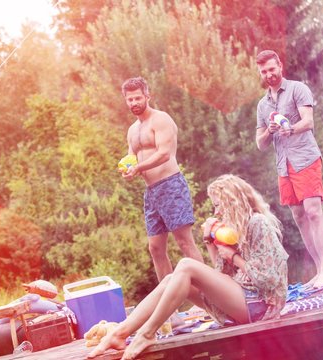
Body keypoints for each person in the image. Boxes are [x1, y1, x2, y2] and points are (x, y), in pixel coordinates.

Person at [88, 174, 289, 360]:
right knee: (170, 280)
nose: (217, 212)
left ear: (233, 202)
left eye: (219, 205)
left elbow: (268, 280)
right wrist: (211, 243)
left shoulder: (258, 223)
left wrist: (235, 257)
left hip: (260, 306)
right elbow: (221, 277)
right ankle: (120, 333)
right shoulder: (236, 229)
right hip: (241, 301)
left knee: (185, 266)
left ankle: (147, 334)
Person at [254, 50, 323, 289]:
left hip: (305, 158)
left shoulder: (298, 89)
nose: (269, 74)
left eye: (272, 69)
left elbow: (308, 122)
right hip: (284, 166)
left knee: (313, 211)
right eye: (264, 71)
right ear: (260, 73)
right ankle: (319, 271)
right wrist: (269, 130)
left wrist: (291, 129)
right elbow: (260, 144)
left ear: (280, 66)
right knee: (299, 217)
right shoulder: (262, 105)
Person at [120, 76, 203, 280]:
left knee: (184, 242)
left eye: (138, 98)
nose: (134, 103)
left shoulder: (161, 119)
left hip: (171, 185)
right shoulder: (132, 130)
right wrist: (128, 169)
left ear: (148, 96)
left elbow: (165, 153)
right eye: (130, 99)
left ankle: (211, 296)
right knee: (155, 248)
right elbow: (131, 157)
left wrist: (138, 168)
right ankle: (170, 302)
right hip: (152, 193)